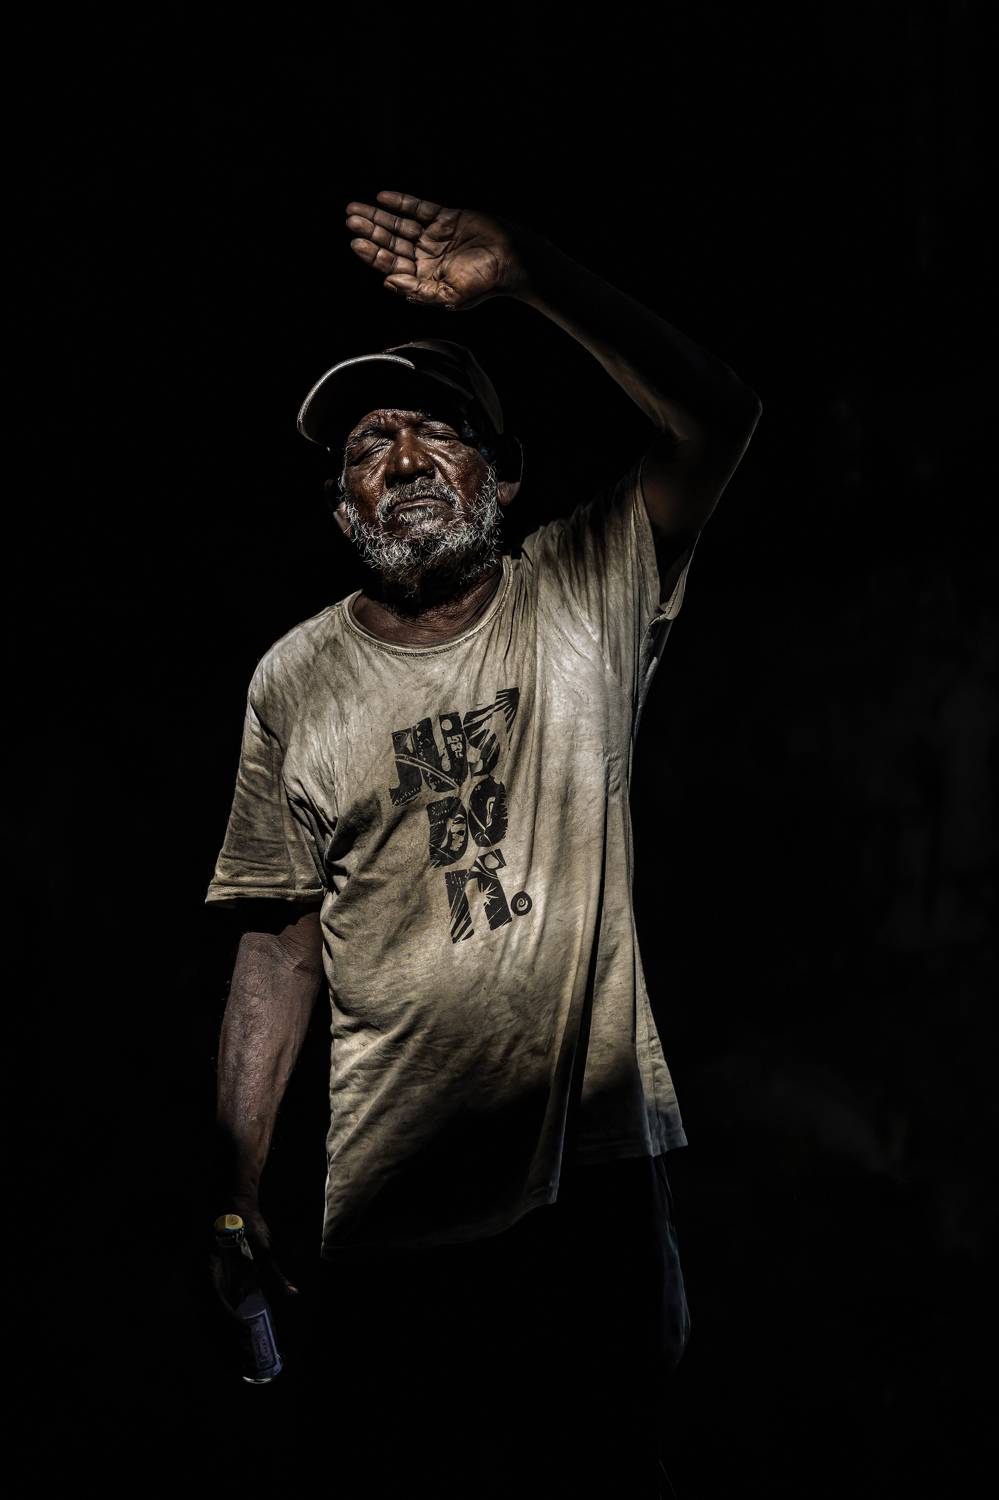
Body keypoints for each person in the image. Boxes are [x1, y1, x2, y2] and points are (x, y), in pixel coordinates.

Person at [204, 189, 761, 1499]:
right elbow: (279, 945)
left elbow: (719, 417)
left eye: (435, 430)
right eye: (367, 445)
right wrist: (235, 1180)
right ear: (339, 500)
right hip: (390, 1212)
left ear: (504, 475)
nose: (399, 459)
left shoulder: (581, 591)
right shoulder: (295, 681)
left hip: (590, 1187)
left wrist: (532, 275)